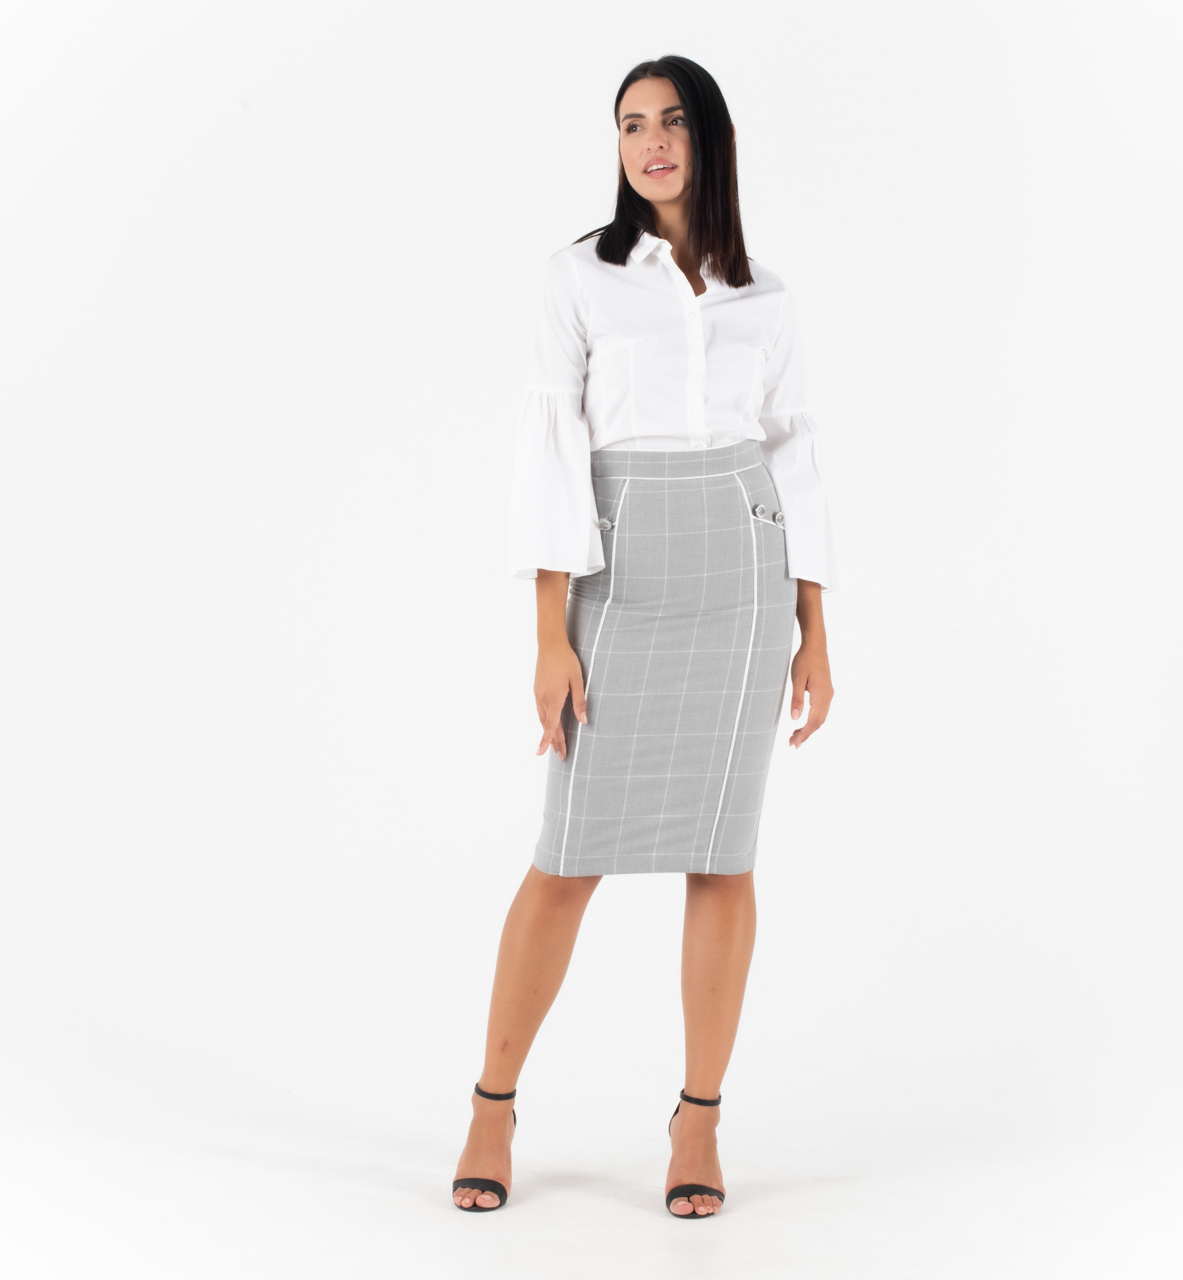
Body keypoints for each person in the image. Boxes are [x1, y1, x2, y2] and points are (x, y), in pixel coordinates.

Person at [453, 54, 837, 1220]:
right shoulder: (578, 277)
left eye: (670, 121)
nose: (650, 142)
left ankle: (697, 1117)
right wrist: (548, 631)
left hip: (741, 578)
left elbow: (793, 452)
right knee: (566, 856)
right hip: (617, 572)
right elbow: (551, 449)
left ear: (710, 140)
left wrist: (814, 628)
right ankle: (490, 1103)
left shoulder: (763, 294)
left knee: (722, 853)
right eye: (630, 124)